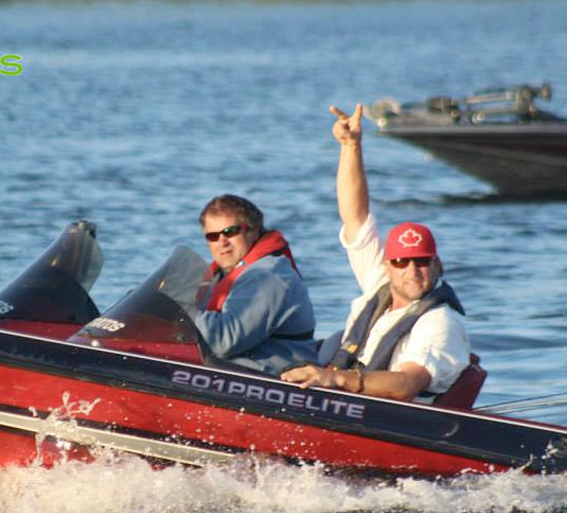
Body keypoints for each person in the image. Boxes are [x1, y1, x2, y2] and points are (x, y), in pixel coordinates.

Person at [281, 104, 470, 401]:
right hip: (341, 401)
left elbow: (408, 383)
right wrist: (351, 146)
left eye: (421, 261)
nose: (411, 270)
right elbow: (354, 217)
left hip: (391, 421)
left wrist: (332, 378)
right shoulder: (378, 283)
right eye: (401, 262)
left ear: (437, 265)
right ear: (388, 265)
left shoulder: (439, 323)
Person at [193, 194, 318, 375]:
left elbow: (223, 340)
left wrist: (178, 309)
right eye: (213, 236)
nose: (222, 242)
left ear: (253, 231)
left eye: (231, 232)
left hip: (273, 378)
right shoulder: (219, 275)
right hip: (235, 370)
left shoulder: (267, 276)